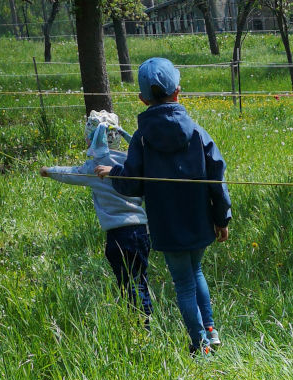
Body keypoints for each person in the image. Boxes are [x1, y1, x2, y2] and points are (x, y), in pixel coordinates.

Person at [96, 57, 231, 354]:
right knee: (196, 272)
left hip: (167, 227)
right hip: (200, 221)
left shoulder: (142, 139)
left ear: (142, 99)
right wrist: (222, 218)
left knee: (184, 282)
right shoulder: (197, 132)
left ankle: (200, 346)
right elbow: (216, 177)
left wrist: (112, 173)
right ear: (178, 91)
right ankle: (210, 329)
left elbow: (132, 182)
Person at [40, 111, 152, 322]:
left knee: (127, 283)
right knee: (140, 279)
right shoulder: (131, 162)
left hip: (119, 234)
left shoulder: (96, 167)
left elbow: (70, 173)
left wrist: (48, 170)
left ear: (90, 138)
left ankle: (140, 324)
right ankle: (146, 318)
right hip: (142, 231)